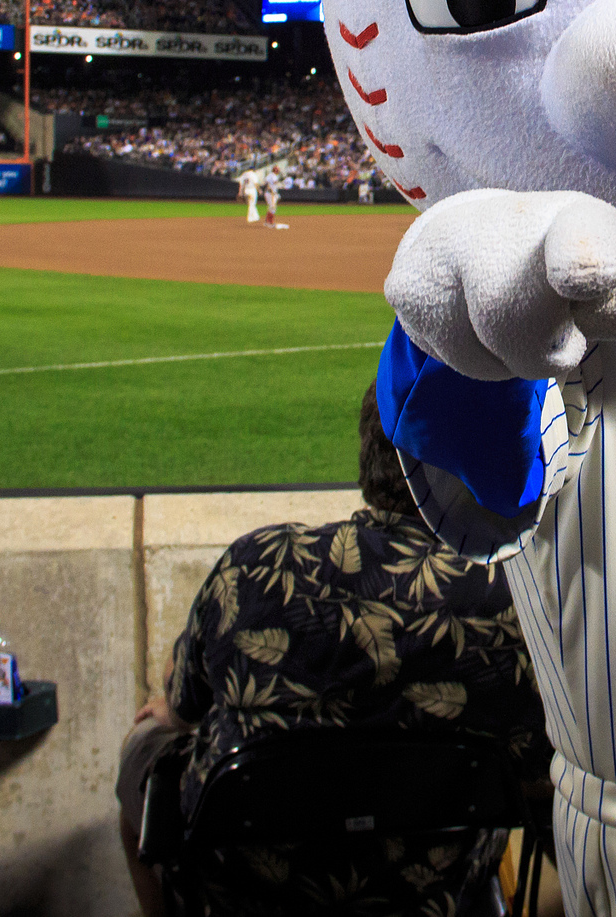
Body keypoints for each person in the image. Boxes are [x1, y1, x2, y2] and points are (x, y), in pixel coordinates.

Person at [117, 384, 548, 917]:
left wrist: (173, 707)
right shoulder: (504, 602)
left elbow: (183, 703)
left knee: (142, 746)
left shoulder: (255, 565)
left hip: (250, 891)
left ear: (370, 458)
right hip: (435, 896)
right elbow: (537, 772)